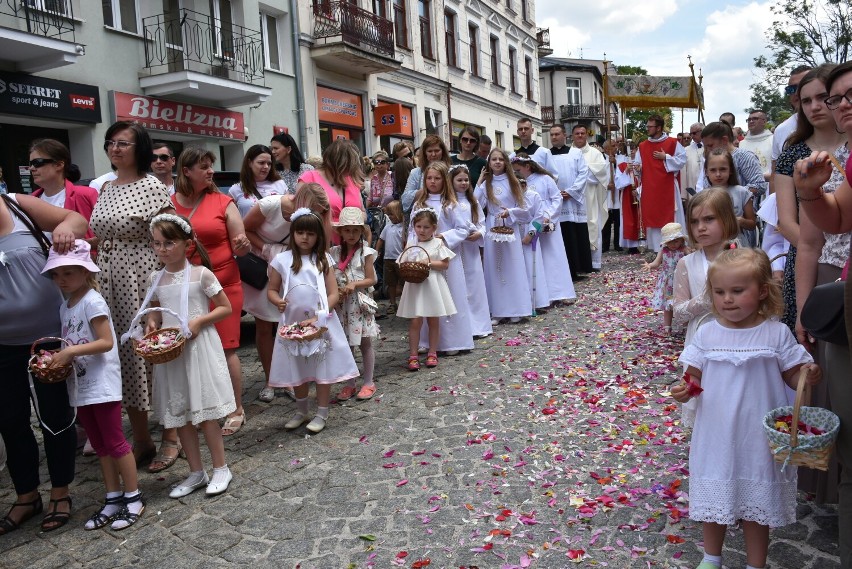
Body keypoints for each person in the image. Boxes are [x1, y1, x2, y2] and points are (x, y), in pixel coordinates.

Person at [671, 246, 821, 569]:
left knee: (756, 508)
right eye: (720, 292)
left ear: (762, 291)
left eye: (737, 291)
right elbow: (693, 375)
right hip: (716, 433)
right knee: (715, 500)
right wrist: (684, 389)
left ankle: (757, 563)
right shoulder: (708, 333)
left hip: (757, 437)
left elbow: (792, 374)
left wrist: (806, 375)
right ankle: (711, 557)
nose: (727, 299)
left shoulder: (775, 333)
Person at [88, 121, 178, 471]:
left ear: (138, 148)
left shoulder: (151, 186)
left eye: (123, 143)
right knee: (125, 358)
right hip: (109, 280)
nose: (115, 148)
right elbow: (104, 232)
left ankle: (171, 436)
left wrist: (166, 283)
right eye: (111, 142)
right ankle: (141, 439)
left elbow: (171, 234)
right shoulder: (106, 187)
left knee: (154, 353)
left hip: (142, 278)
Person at [792, 60, 852, 567]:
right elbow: (822, 230)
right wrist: (810, 189)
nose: (834, 105)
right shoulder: (811, 156)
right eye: (834, 98)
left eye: (830, 97)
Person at [41, 240, 143, 531]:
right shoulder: (66, 305)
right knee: (99, 444)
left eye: (68, 274)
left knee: (115, 441)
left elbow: (105, 342)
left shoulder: (92, 301)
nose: (61, 280)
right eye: (56, 275)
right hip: (81, 384)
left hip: (102, 383)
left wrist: (70, 352)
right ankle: (112, 496)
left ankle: (133, 496)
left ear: (85, 273)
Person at [0, 194, 87, 535]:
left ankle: (61, 492)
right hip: (2, 344)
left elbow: (77, 220)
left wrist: (65, 227)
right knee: (10, 420)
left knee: (54, 417)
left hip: (48, 337)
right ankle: (26, 496)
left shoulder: (17, 205)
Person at [135, 214, 235, 498]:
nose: (163, 249)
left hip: (198, 347)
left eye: (169, 243)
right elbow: (156, 308)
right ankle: (195, 471)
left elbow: (224, 307)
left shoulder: (201, 274)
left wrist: (199, 321)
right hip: (172, 352)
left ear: (186, 244)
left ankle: (220, 467)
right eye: (157, 244)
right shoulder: (156, 277)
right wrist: (152, 322)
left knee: (204, 412)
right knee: (182, 416)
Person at [171, 147, 250, 436]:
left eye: (210, 166)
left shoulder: (223, 201)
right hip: (186, 289)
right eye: (203, 167)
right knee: (194, 350)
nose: (210, 171)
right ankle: (203, 407)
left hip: (223, 286)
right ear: (186, 171)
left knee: (227, 348)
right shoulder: (170, 205)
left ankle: (236, 407)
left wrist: (243, 246)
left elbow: (241, 242)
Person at [267, 208, 358, 433]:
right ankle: (301, 410)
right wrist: (277, 301)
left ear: (317, 236)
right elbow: (272, 289)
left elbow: (333, 292)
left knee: (322, 366)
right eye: (300, 233)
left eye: (310, 234)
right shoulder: (282, 260)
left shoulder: (322, 259)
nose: (305, 238)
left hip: (320, 323)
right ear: (293, 234)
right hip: (293, 324)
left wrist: (322, 313)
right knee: (296, 367)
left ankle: (322, 411)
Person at [245, 183, 331, 404]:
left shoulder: (313, 220)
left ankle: (296, 377)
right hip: (264, 264)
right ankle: (271, 380)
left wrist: (326, 215)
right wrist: (267, 250)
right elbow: (245, 229)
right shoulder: (271, 205)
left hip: (295, 265)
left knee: (294, 323)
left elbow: (324, 244)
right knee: (265, 324)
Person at [775, 64, 846, 333]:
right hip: (809, 258)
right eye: (806, 100)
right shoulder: (792, 155)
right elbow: (786, 220)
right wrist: (820, 250)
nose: (814, 106)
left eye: (821, 98)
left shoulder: (847, 149)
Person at [672, 188, 741, 427]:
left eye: (709, 219)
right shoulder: (686, 264)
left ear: (726, 219)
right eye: (694, 221)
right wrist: (705, 299)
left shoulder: (743, 258)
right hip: (701, 340)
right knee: (707, 402)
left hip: (738, 339)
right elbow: (678, 312)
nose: (700, 227)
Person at [411, 162, 474, 354]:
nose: (432, 182)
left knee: (449, 296)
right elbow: (411, 231)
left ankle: (452, 341)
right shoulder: (419, 203)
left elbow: (463, 229)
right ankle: (426, 341)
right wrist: (412, 251)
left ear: (444, 180)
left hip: (445, 255)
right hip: (423, 255)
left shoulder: (450, 204)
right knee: (427, 298)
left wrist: (444, 237)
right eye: (429, 178)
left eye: (437, 178)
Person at [475, 148, 533, 324]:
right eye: (494, 159)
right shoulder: (486, 184)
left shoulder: (513, 181)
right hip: (493, 227)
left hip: (510, 228)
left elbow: (526, 209)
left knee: (512, 267)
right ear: (489, 163)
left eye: (501, 159)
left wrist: (511, 212)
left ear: (506, 162)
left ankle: (517, 308)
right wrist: (479, 182)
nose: (497, 162)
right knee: (495, 267)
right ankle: (498, 311)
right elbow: (475, 204)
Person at [397, 207, 456, 370]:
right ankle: (413, 355)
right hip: (415, 285)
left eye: (426, 227)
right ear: (414, 227)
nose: (422, 230)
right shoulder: (411, 243)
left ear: (434, 228)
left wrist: (428, 263)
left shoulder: (437, 243)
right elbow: (403, 261)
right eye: (419, 226)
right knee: (415, 320)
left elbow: (445, 264)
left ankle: (432, 352)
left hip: (432, 285)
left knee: (433, 320)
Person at [512, 155, 576, 306]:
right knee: (536, 258)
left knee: (552, 255)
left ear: (527, 166)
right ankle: (540, 294)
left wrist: (548, 215)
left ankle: (558, 293)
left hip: (547, 220)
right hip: (530, 222)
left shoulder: (545, 179)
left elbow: (557, 198)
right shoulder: (518, 182)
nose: (516, 172)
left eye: (518, 169)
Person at [330, 207, 379, 401]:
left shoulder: (365, 253)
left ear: (361, 231)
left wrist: (354, 284)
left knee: (364, 343)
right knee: (346, 344)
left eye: (355, 230)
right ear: (341, 232)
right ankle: (350, 382)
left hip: (358, 305)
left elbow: (371, 279)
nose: (351, 234)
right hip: (342, 305)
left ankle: (368, 382)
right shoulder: (334, 253)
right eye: (347, 230)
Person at [448, 165, 492, 337]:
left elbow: (482, 222)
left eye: (466, 180)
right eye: (459, 180)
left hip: (471, 249)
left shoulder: (472, 201)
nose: (463, 183)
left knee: (474, 286)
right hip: (457, 247)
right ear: (451, 181)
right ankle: (463, 325)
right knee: (459, 286)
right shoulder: (450, 203)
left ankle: (478, 325)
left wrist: (479, 233)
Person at [633, 114, 687, 252]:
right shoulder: (643, 146)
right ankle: (657, 249)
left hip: (667, 187)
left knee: (670, 216)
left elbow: (682, 161)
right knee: (653, 216)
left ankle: (675, 246)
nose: (647, 129)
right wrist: (637, 168)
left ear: (658, 128)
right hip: (650, 187)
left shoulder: (673, 143)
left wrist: (666, 157)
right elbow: (638, 164)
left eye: (650, 126)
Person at [29, 139, 98, 241]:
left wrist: (84, 244)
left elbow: (108, 234)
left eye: (37, 163)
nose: (31, 168)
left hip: (80, 256)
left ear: (59, 165)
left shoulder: (86, 194)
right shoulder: (30, 200)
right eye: (30, 163)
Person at [549, 124, 593, 278]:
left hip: (573, 201)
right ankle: (563, 271)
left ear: (565, 135)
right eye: (552, 135)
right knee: (562, 236)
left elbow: (583, 173)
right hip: (556, 201)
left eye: (557, 134)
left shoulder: (575, 153)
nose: (554, 137)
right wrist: (555, 193)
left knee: (575, 234)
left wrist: (571, 192)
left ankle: (578, 268)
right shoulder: (547, 154)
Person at [297, 139, 365, 232]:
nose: (349, 170)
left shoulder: (351, 179)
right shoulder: (309, 178)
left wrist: (356, 221)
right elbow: (300, 215)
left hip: (350, 243)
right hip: (321, 240)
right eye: (347, 165)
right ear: (336, 163)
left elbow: (363, 212)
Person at [571, 125, 611, 271]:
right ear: (572, 136)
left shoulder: (595, 154)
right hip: (572, 197)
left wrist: (581, 173)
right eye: (577, 133)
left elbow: (601, 175)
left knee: (592, 224)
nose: (580, 136)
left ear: (587, 135)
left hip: (590, 195)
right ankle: (576, 262)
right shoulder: (567, 153)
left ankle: (594, 262)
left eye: (582, 133)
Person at [643, 222, 688, 335]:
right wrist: (650, 266)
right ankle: (667, 326)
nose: (673, 245)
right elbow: (657, 263)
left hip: (681, 280)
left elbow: (692, 261)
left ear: (681, 240)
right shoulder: (664, 251)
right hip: (668, 281)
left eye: (676, 241)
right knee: (668, 306)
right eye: (670, 242)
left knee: (682, 303)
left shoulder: (684, 250)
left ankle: (686, 326)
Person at [704, 148, 756, 245]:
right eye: (713, 170)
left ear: (731, 170)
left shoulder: (741, 192)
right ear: (706, 172)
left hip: (737, 244)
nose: (718, 174)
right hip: (712, 245)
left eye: (723, 169)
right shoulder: (703, 196)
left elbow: (752, 224)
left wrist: (739, 221)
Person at [228, 144, 287, 217]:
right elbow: (230, 218)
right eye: (261, 163)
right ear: (249, 163)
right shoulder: (236, 189)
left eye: (269, 164)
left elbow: (289, 212)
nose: (266, 167)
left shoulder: (280, 184)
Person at [402, 135, 452, 214]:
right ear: (425, 153)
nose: (433, 154)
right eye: (430, 151)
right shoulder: (416, 173)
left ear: (443, 151)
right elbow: (405, 200)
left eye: (436, 150)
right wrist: (427, 189)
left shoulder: (451, 171)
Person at [377, 200, 404, 315]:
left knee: (403, 283)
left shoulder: (403, 228)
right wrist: (377, 251)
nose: (389, 217)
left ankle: (404, 303)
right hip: (388, 259)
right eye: (388, 214)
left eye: (391, 214)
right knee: (391, 283)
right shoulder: (388, 227)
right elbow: (381, 239)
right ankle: (393, 304)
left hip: (401, 259)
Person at [738, 110, 774, 184]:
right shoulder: (741, 144)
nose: (751, 121)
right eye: (749, 120)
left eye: (755, 119)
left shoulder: (773, 140)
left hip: (769, 184)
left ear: (764, 121)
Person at [601, 140, 622, 253]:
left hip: (617, 193)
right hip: (606, 194)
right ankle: (605, 245)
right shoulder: (600, 160)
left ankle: (618, 243)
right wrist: (606, 185)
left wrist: (615, 163)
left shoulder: (618, 158)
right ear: (606, 149)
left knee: (618, 221)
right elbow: (596, 177)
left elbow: (623, 172)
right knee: (606, 221)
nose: (616, 147)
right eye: (613, 146)